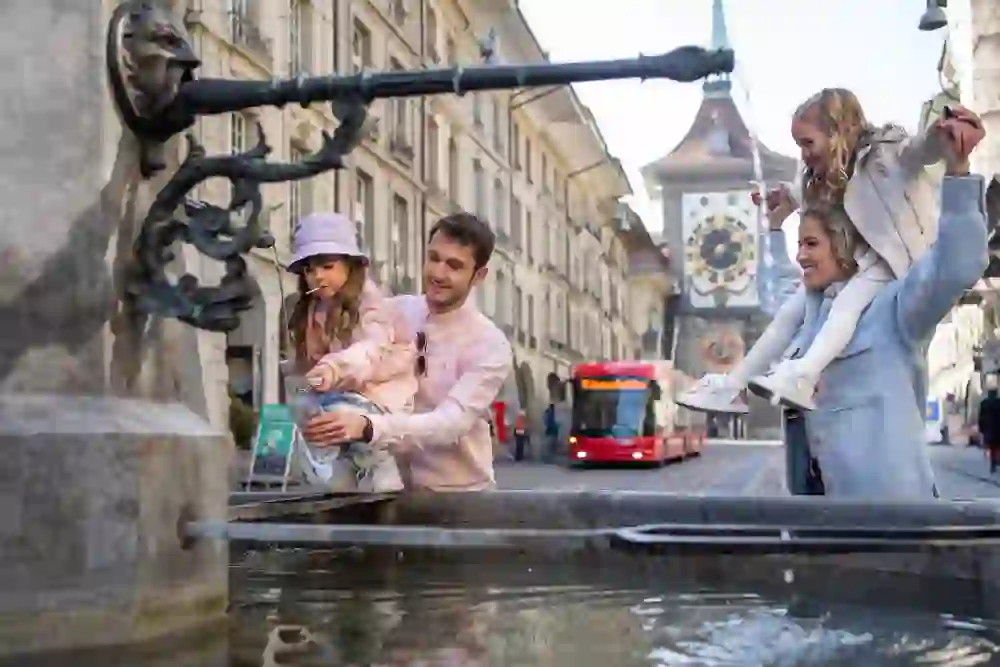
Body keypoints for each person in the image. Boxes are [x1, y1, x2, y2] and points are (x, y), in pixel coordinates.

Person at [745, 106, 986, 497]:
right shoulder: (811, 318)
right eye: (798, 245)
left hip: (894, 532)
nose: (801, 256)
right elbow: (778, 287)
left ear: (843, 248)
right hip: (819, 529)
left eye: (812, 244)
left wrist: (958, 168)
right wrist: (774, 225)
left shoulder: (893, 310)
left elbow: (956, 265)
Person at [679, 89, 948, 414]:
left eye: (808, 143)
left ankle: (805, 373)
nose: (803, 154)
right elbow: (797, 192)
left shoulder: (882, 156)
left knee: (845, 306)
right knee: (789, 315)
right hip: (853, 260)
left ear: (837, 133)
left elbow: (919, 152)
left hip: (891, 260)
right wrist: (781, 200)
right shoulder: (816, 177)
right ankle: (733, 386)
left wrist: (939, 135)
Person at [302, 212, 514, 491]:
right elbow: (358, 359)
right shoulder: (393, 311)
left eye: (454, 265)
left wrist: (369, 427)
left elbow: (450, 423)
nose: (438, 273)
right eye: (433, 258)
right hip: (384, 493)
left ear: (479, 275)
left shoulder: (490, 345)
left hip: (460, 498)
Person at [286, 212, 418, 492]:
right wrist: (301, 384)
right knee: (306, 415)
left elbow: (371, 350)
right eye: (309, 269)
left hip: (378, 394)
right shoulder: (314, 310)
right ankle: (338, 474)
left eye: (327, 266)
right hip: (335, 391)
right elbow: (308, 366)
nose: (316, 276)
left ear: (350, 266)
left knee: (340, 411)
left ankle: (378, 464)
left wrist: (333, 369)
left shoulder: (370, 303)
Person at [978, 376, 1000, 474]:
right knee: (997, 445)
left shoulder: (984, 403)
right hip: (998, 428)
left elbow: (981, 417)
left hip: (989, 428)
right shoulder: (999, 402)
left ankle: (993, 463)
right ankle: (996, 461)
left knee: (992, 446)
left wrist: (981, 428)